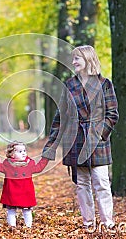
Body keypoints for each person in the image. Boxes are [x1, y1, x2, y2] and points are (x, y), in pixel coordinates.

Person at [42, 45, 119, 230]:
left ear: (88, 59)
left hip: (98, 141)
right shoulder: (69, 85)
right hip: (75, 140)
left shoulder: (104, 84)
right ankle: (88, 223)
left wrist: (100, 134)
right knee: (82, 184)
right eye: (73, 58)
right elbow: (61, 116)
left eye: (77, 58)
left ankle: (108, 224)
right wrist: (50, 147)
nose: (74, 61)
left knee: (101, 182)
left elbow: (112, 114)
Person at [0, 141, 49, 228]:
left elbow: (39, 168)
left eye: (24, 151)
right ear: (12, 154)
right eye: (20, 151)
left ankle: (28, 227)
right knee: (11, 210)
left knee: (27, 211)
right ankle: (12, 227)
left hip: (26, 192)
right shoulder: (8, 164)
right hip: (12, 192)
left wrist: (45, 158)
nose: (24, 153)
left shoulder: (29, 164)